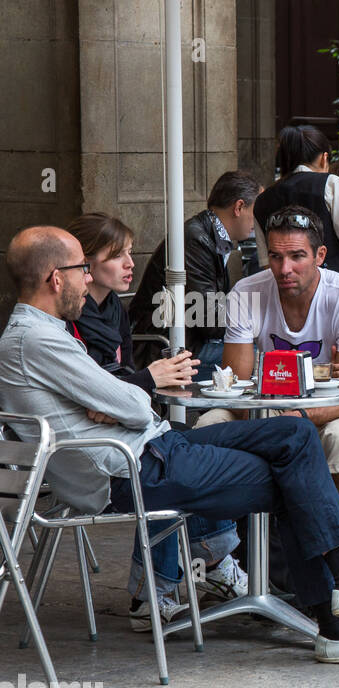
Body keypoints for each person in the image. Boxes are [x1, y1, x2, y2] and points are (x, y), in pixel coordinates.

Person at [1, 226, 339, 662]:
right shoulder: (37, 339)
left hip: (157, 448)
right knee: (296, 477)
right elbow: (134, 405)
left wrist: (123, 397)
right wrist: (140, 386)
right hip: (134, 470)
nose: (87, 278)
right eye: (81, 268)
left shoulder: (42, 332)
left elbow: (122, 402)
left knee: (294, 432)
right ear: (56, 278)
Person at [66, 213, 246, 627]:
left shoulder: (111, 305)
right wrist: (142, 383)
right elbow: (97, 395)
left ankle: (198, 569)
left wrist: (130, 390)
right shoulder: (71, 319)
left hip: (122, 423)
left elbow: (120, 383)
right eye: (118, 255)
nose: (132, 263)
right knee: (171, 466)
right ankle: (161, 590)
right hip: (92, 448)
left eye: (130, 252)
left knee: (197, 444)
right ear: (84, 264)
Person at [195, 207, 339, 514]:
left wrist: (298, 412)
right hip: (261, 406)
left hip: (326, 409)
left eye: (297, 256)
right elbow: (236, 384)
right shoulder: (247, 291)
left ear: (319, 256)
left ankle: (333, 540)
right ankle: (223, 542)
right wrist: (320, 374)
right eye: (276, 257)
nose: (284, 268)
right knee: (209, 423)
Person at [129, 170, 262, 381]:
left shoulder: (207, 236)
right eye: (256, 211)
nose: (258, 220)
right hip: (169, 347)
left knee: (257, 348)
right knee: (260, 355)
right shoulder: (196, 239)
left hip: (187, 340)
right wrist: (256, 320)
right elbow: (209, 319)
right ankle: (244, 413)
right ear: (238, 207)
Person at [254, 125, 339, 278]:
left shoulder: (262, 199)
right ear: (324, 158)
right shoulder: (333, 183)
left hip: (285, 287)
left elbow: (267, 262)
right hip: (329, 283)